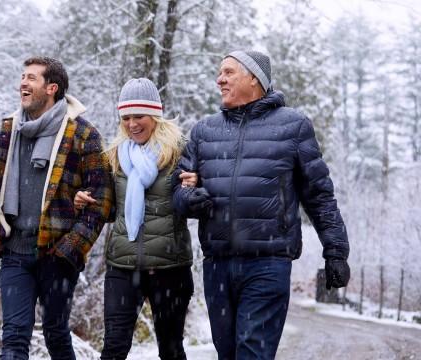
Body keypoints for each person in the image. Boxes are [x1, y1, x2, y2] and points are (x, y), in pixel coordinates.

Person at [173, 50, 350, 359]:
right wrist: (189, 199)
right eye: (220, 73)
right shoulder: (204, 131)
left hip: (267, 263)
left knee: (252, 351)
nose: (220, 79)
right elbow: (178, 188)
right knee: (227, 352)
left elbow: (319, 195)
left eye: (228, 72)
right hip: (217, 265)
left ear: (254, 78)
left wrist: (336, 251)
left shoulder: (293, 127)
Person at [0, 56, 114, 360]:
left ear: (51, 88)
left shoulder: (83, 134)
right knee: (13, 335)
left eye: (31, 78)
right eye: (23, 77)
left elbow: (102, 200)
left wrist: (71, 248)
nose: (23, 83)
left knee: (55, 332)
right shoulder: (10, 128)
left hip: (58, 253)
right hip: (15, 251)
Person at [74, 78, 206, 360]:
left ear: (155, 116)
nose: (132, 124)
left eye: (139, 116)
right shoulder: (114, 156)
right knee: (113, 349)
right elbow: (110, 210)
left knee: (171, 350)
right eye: (126, 118)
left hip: (170, 266)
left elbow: (195, 203)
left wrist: (196, 184)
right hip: (123, 266)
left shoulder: (181, 152)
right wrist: (83, 201)